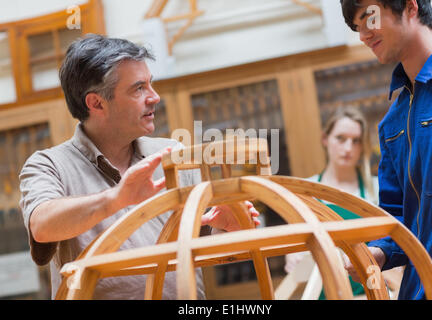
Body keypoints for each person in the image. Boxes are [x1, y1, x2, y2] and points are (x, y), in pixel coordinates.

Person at [19, 34, 260, 300]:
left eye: (150, 84)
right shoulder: (50, 164)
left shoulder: (172, 154)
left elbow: (197, 250)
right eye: (138, 88)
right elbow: (42, 225)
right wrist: (118, 197)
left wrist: (224, 229)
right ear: (96, 103)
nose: (154, 97)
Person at [340, 0, 432, 299]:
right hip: (421, 290)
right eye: (356, 27)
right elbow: (398, 218)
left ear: (411, 6)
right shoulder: (392, 125)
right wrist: (380, 252)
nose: (363, 35)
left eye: (369, 17)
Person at [284, 106, 379, 299]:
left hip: (369, 294)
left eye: (356, 141)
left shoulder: (376, 190)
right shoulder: (305, 192)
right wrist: (292, 255)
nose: (348, 148)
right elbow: (293, 246)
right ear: (325, 139)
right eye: (340, 138)